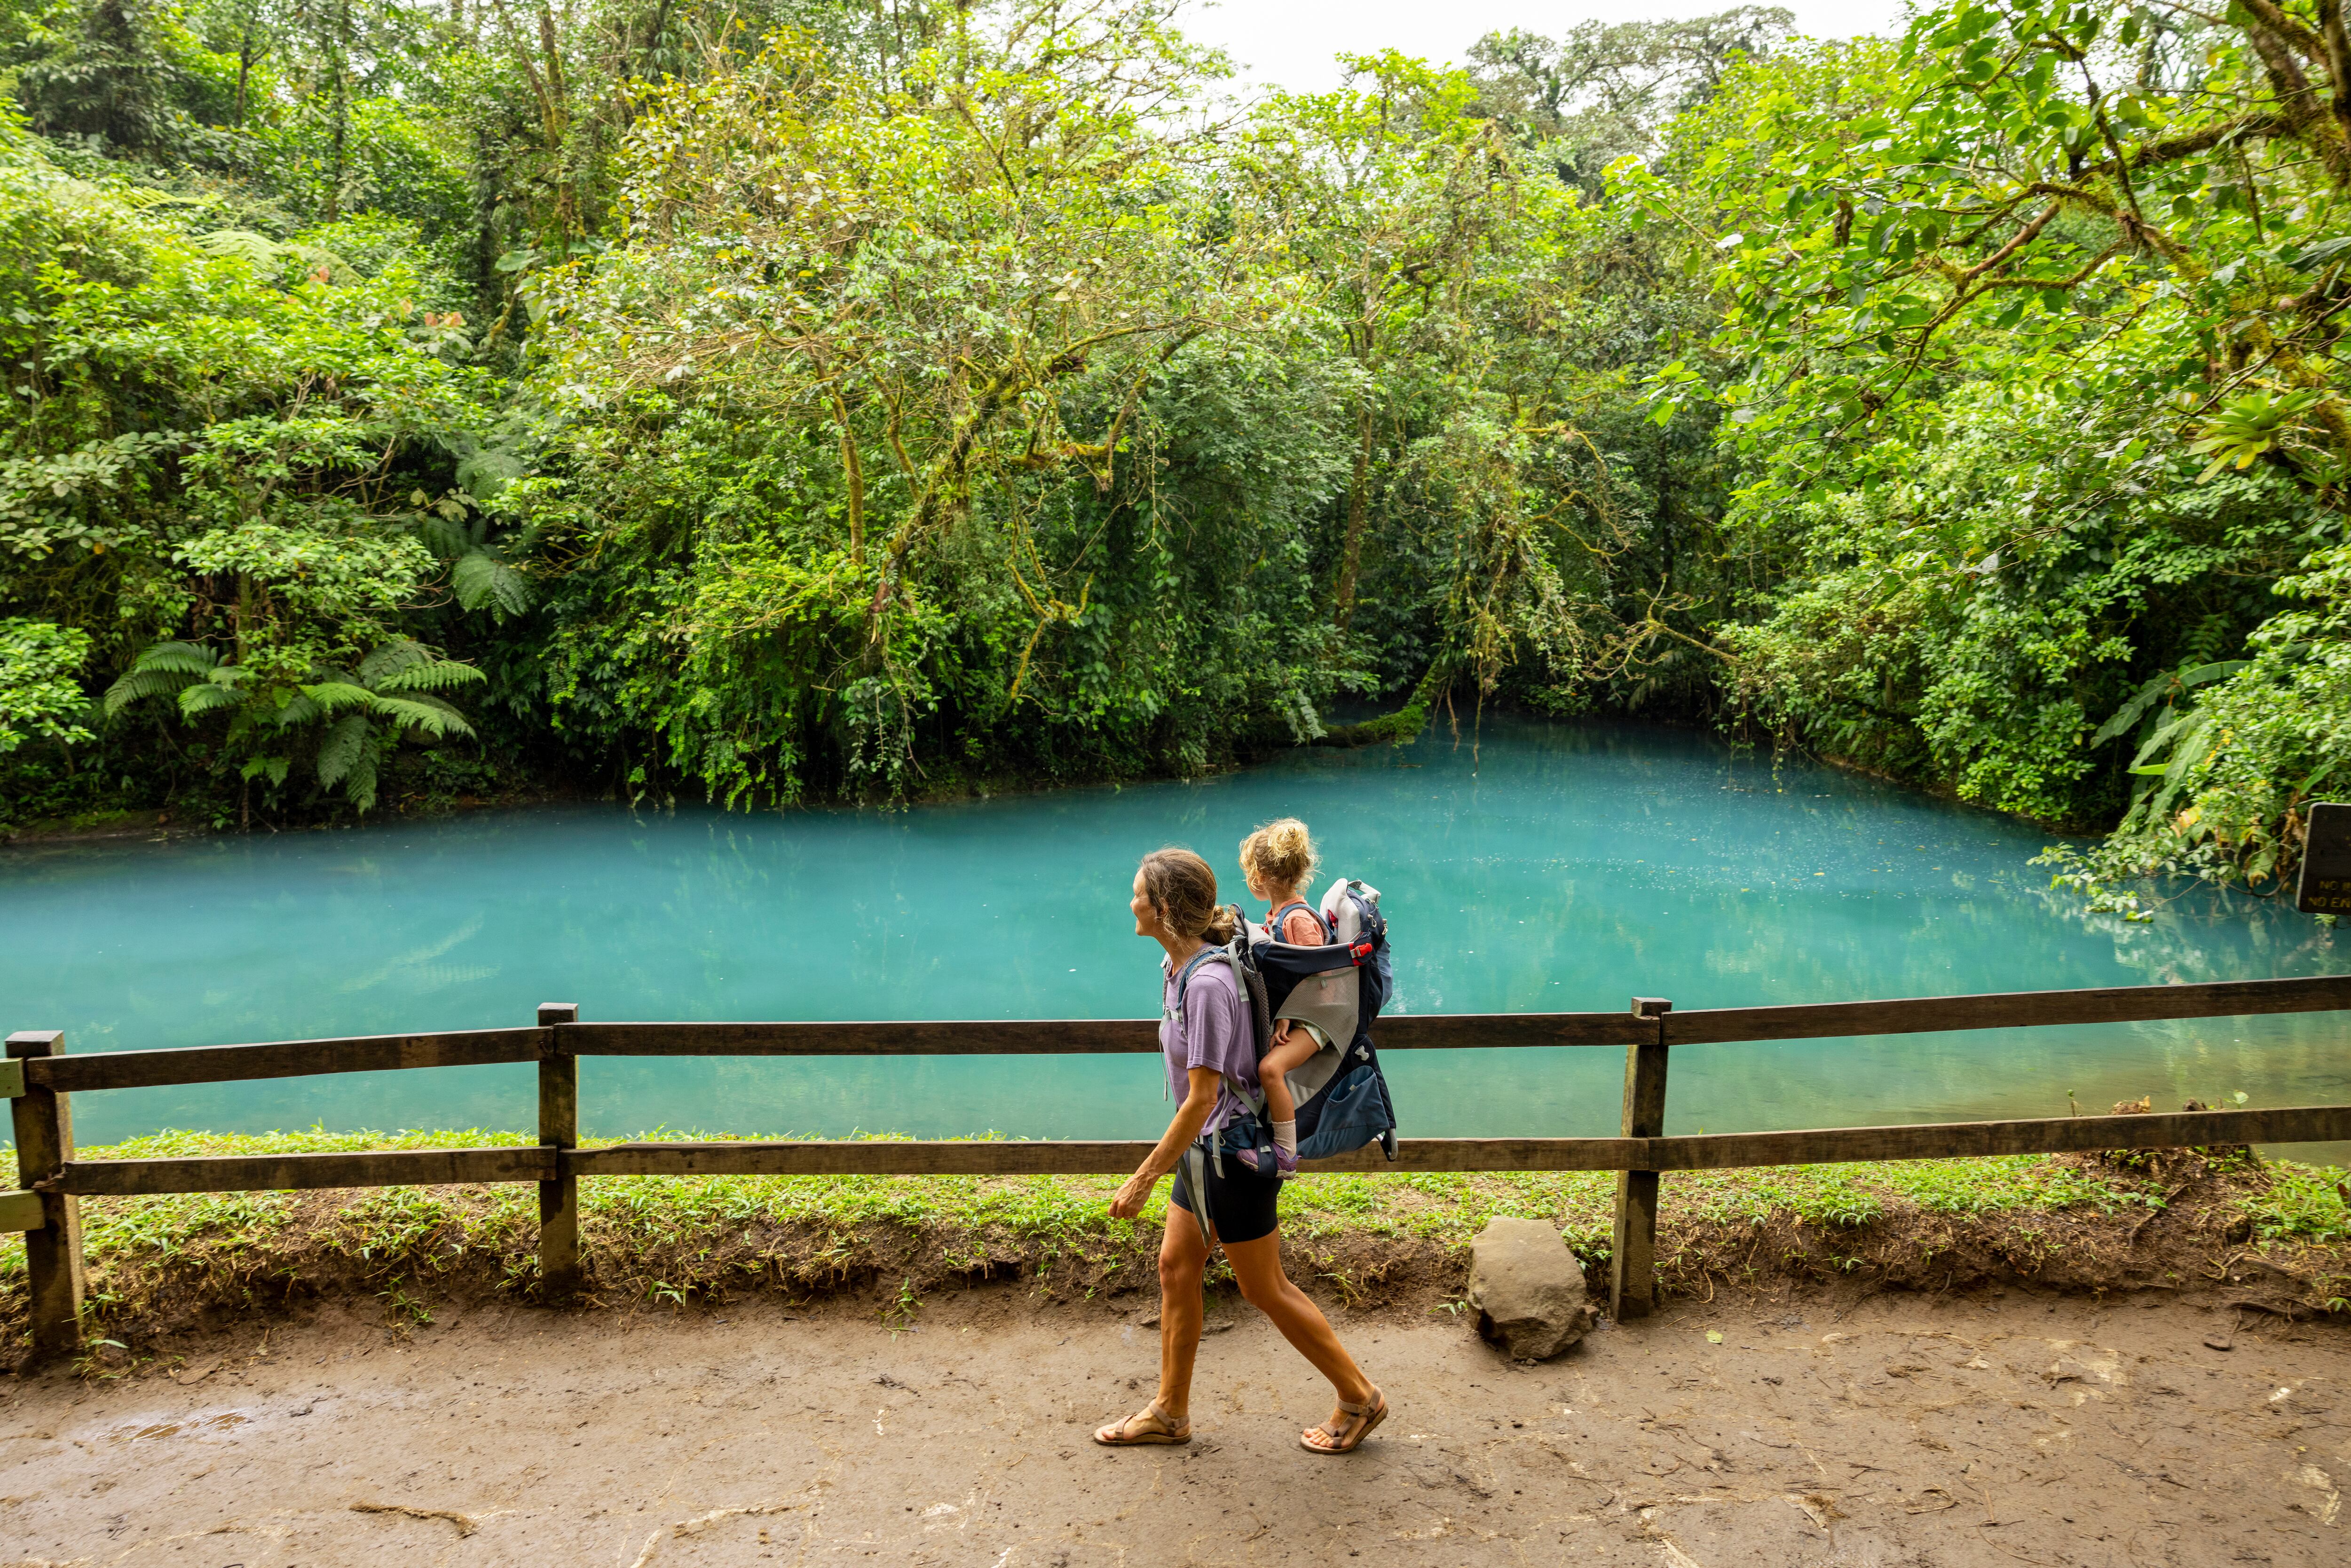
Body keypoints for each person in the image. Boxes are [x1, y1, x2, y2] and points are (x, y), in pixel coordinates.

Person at [1092, 846, 1388, 1455]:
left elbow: (1202, 1097)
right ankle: (1170, 1411)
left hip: (1233, 1155)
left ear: (1163, 908)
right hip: (1203, 1150)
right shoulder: (1178, 966)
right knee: (1177, 1268)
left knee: (1265, 1287)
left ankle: (1360, 1396)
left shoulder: (1207, 983)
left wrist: (1143, 1177)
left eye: (1139, 893)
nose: (1131, 902)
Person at [1238, 818, 1332, 1178]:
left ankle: (1285, 1155)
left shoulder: (1298, 920)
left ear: (1260, 876)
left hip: (1320, 1020)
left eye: (1249, 872)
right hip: (1301, 1015)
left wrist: (1288, 1015)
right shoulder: (1278, 916)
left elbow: (1319, 975)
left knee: (1270, 1068)